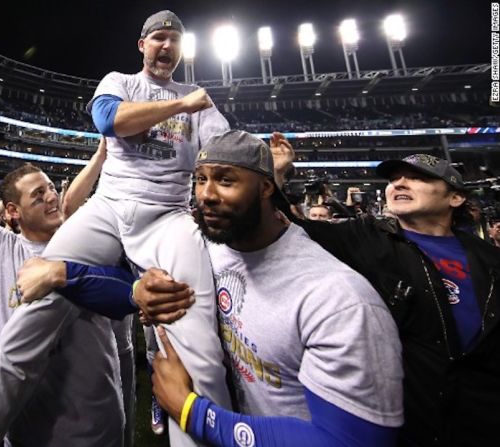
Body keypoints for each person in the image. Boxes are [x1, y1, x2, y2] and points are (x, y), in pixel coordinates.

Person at [0, 10, 233, 446]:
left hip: (169, 213)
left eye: (174, 40)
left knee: (191, 328)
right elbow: (108, 121)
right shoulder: (122, 82)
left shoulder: (201, 99)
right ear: (142, 45)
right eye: (158, 37)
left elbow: (222, 150)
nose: (166, 46)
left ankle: (195, 429)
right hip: (111, 206)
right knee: (35, 306)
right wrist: (182, 104)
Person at [0, 55, 175, 446]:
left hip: (98, 425)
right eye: (39, 195)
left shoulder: (91, 239)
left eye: (51, 187)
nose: (52, 197)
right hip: (26, 430)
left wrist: (63, 275)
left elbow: (128, 294)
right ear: (13, 212)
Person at [144, 130, 403, 446]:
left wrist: (191, 412)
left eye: (225, 181)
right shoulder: (211, 246)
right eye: (200, 179)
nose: (206, 195)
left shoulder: (340, 300)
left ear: (267, 187)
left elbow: (352, 441)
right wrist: (141, 291)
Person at [276, 152, 500, 446]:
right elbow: (290, 227)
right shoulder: (366, 238)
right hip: (405, 425)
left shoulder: (488, 258)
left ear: (455, 198)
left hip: (481, 422)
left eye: (418, 177)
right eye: (394, 179)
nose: (399, 184)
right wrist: (277, 176)